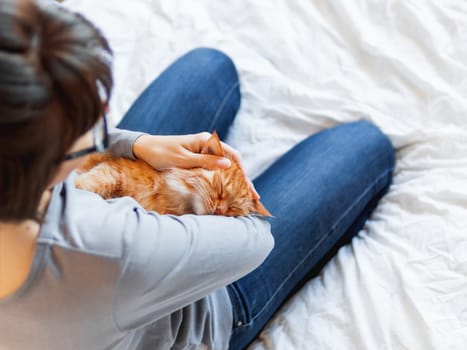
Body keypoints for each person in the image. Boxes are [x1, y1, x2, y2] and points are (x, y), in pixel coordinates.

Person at [0, 1, 395, 349]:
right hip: (187, 316)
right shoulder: (107, 246)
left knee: (208, 67)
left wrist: (137, 146)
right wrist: (239, 188)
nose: (104, 124)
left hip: (102, 274)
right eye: (92, 128)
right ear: (51, 163)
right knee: (364, 145)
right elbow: (254, 244)